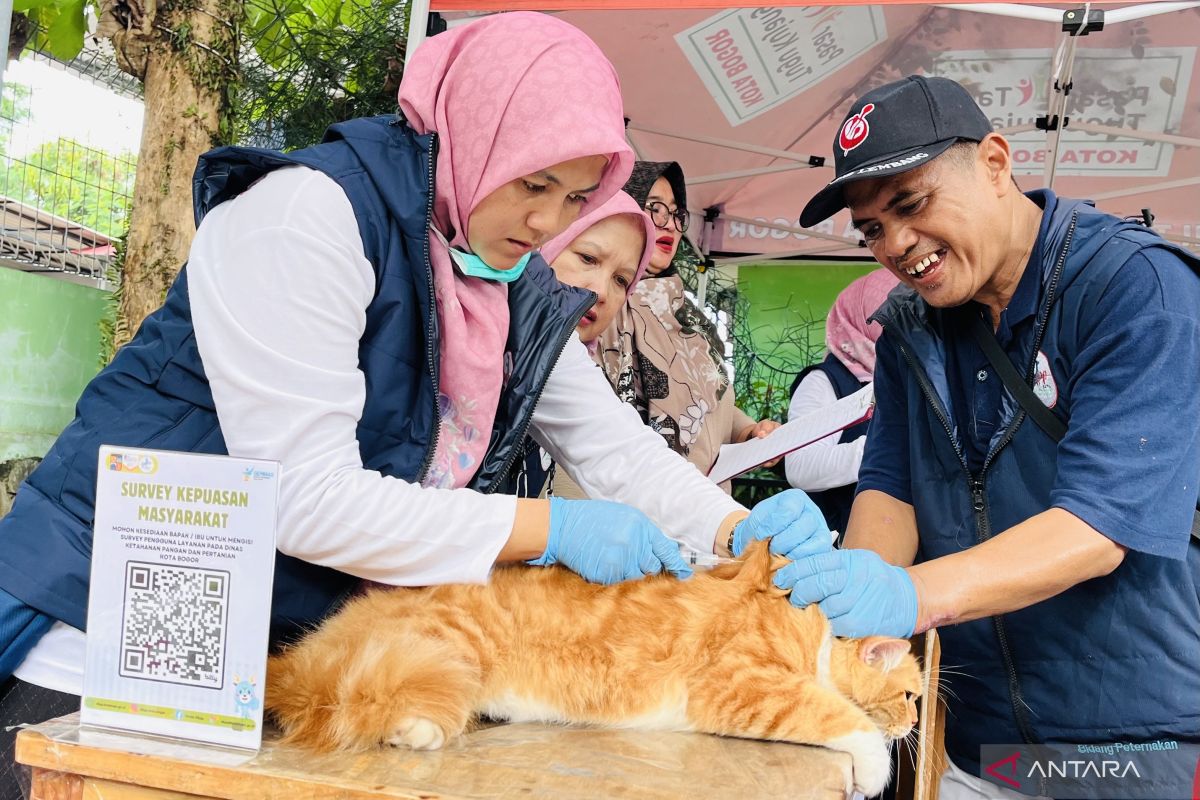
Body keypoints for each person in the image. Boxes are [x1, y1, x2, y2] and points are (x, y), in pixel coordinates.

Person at [0, 15, 832, 797]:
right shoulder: (304, 216)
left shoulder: (501, 278)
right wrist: (551, 531)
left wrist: (732, 530)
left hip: (279, 660)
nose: (545, 221)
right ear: (470, 131)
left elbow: (613, 449)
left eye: (576, 199)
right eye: (533, 182)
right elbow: (304, 496)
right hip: (107, 635)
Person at [768, 75, 1200, 799]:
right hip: (977, 740)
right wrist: (850, 627)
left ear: (997, 163)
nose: (897, 245)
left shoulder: (1136, 289)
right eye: (872, 228)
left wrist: (908, 597)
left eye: (911, 204)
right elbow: (891, 487)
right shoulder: (911, 326)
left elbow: (1097, 525)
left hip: (1136, 743)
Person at [596, 161, 778, 488]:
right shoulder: (600, 304)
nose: (669, 225)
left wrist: (748, 432)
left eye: (677, 214)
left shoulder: (688, 317)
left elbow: (712, 402)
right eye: (654, 208)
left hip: (704, 515)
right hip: (628, 516)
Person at [503, 190, 655, 499]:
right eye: (588, 258)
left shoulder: (569, 367)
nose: (600, 291)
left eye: (621, 281)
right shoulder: (473, 347)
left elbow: (626, 454)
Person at [785, 269, 898, 537]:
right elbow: (800, 466)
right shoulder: (824, 381)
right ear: (861, 321)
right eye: (889, 318)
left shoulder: (899, 377)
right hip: (839, 543)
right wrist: (889, 450)